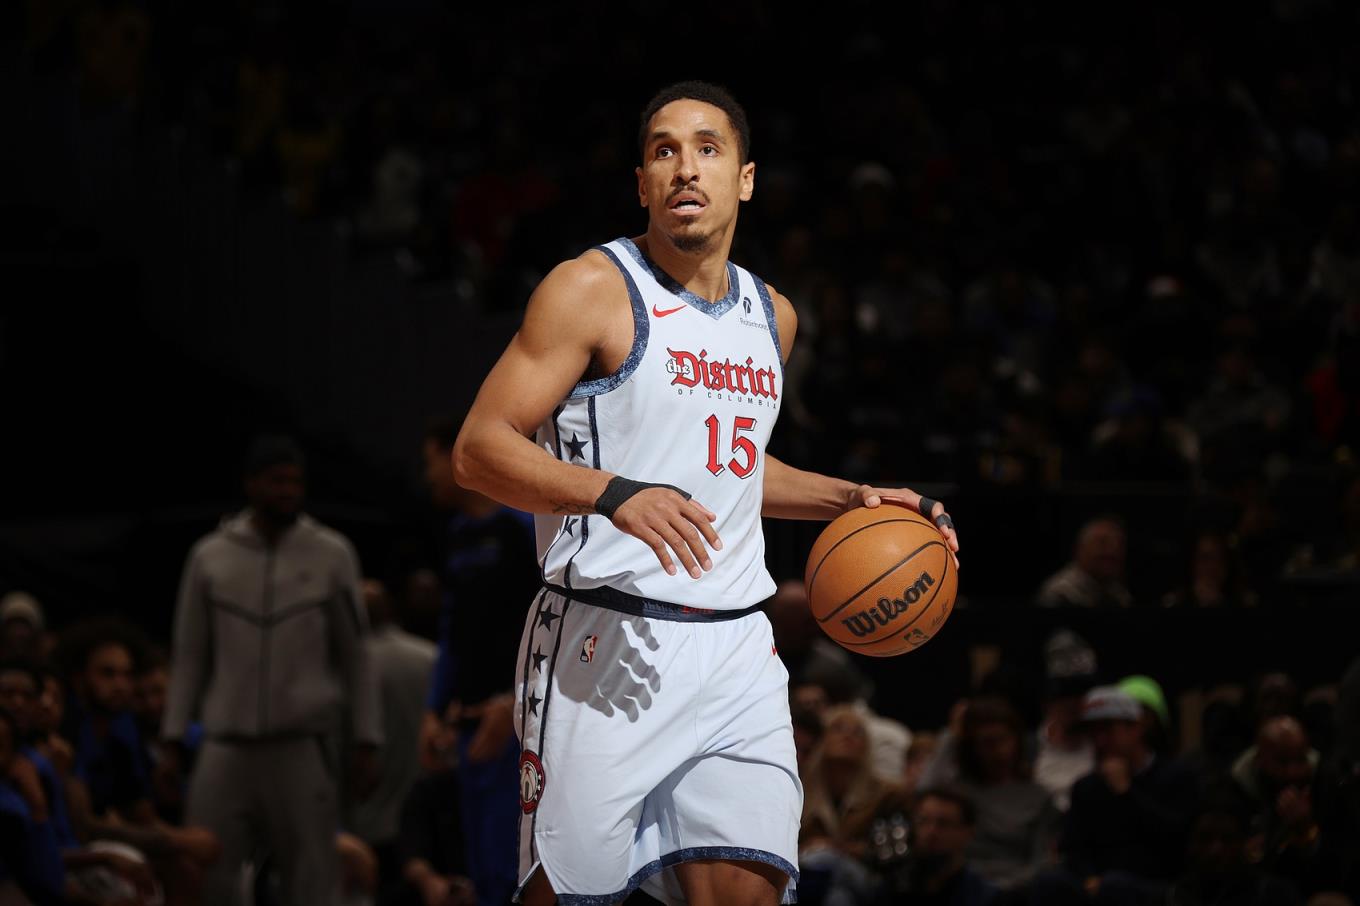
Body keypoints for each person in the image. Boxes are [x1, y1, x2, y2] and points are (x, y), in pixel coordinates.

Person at [451, 80, 960, 906]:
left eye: (707, 149)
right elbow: (478, 451)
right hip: (604, 640)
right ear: (643, 184)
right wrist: (614, 493)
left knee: (747, 894)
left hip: (735, 650)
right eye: (664, 151)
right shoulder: (590, 288)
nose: (685, 167)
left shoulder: (773, 317)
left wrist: (855, 501)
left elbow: (734, 471)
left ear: (745, 179)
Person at [162, 434, 383, 906]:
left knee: (313, 876)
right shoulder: (210, 555)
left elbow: (356, 654)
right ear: (250, 484)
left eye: (295, 482)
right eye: (276, 481)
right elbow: (189, 653)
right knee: (209, 871)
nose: (288, 491)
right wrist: (172, 736)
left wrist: (367, 738)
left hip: (302, 743)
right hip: (226, 742)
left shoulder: (331, 552)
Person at [419, 415, 540, 906]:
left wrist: (515, 701)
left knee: (517, 869)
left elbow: (549, 624)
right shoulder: (457, 535)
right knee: (482, 870)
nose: (427, 475)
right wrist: (433, 710)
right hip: (468, 724)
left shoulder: (525, 527)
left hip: (519, 721)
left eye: (430, 462)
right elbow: (453, 632)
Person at [1035, 517, 1133, 608]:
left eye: (1119, 544)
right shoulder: (1061, 594)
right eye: (1102, 543)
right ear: (1081, 548)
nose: (1112, 551)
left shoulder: (1118, 594)